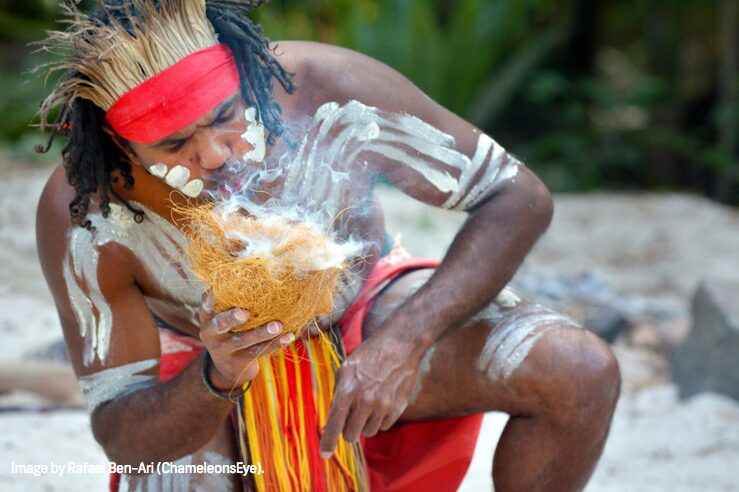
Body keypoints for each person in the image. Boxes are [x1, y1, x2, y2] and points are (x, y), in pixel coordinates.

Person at [35, 1, 621, 490]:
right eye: (174, 144)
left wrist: (402, 342)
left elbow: (517, 196)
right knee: (170, 475)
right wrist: (218, 371)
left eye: (226, 118)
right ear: (119, 143)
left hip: (362, 305)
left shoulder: (324, 89)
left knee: (578, 371)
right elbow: (122, 435)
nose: (214, 154)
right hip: (203, 359)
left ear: (244, 80)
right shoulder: (87, 214)